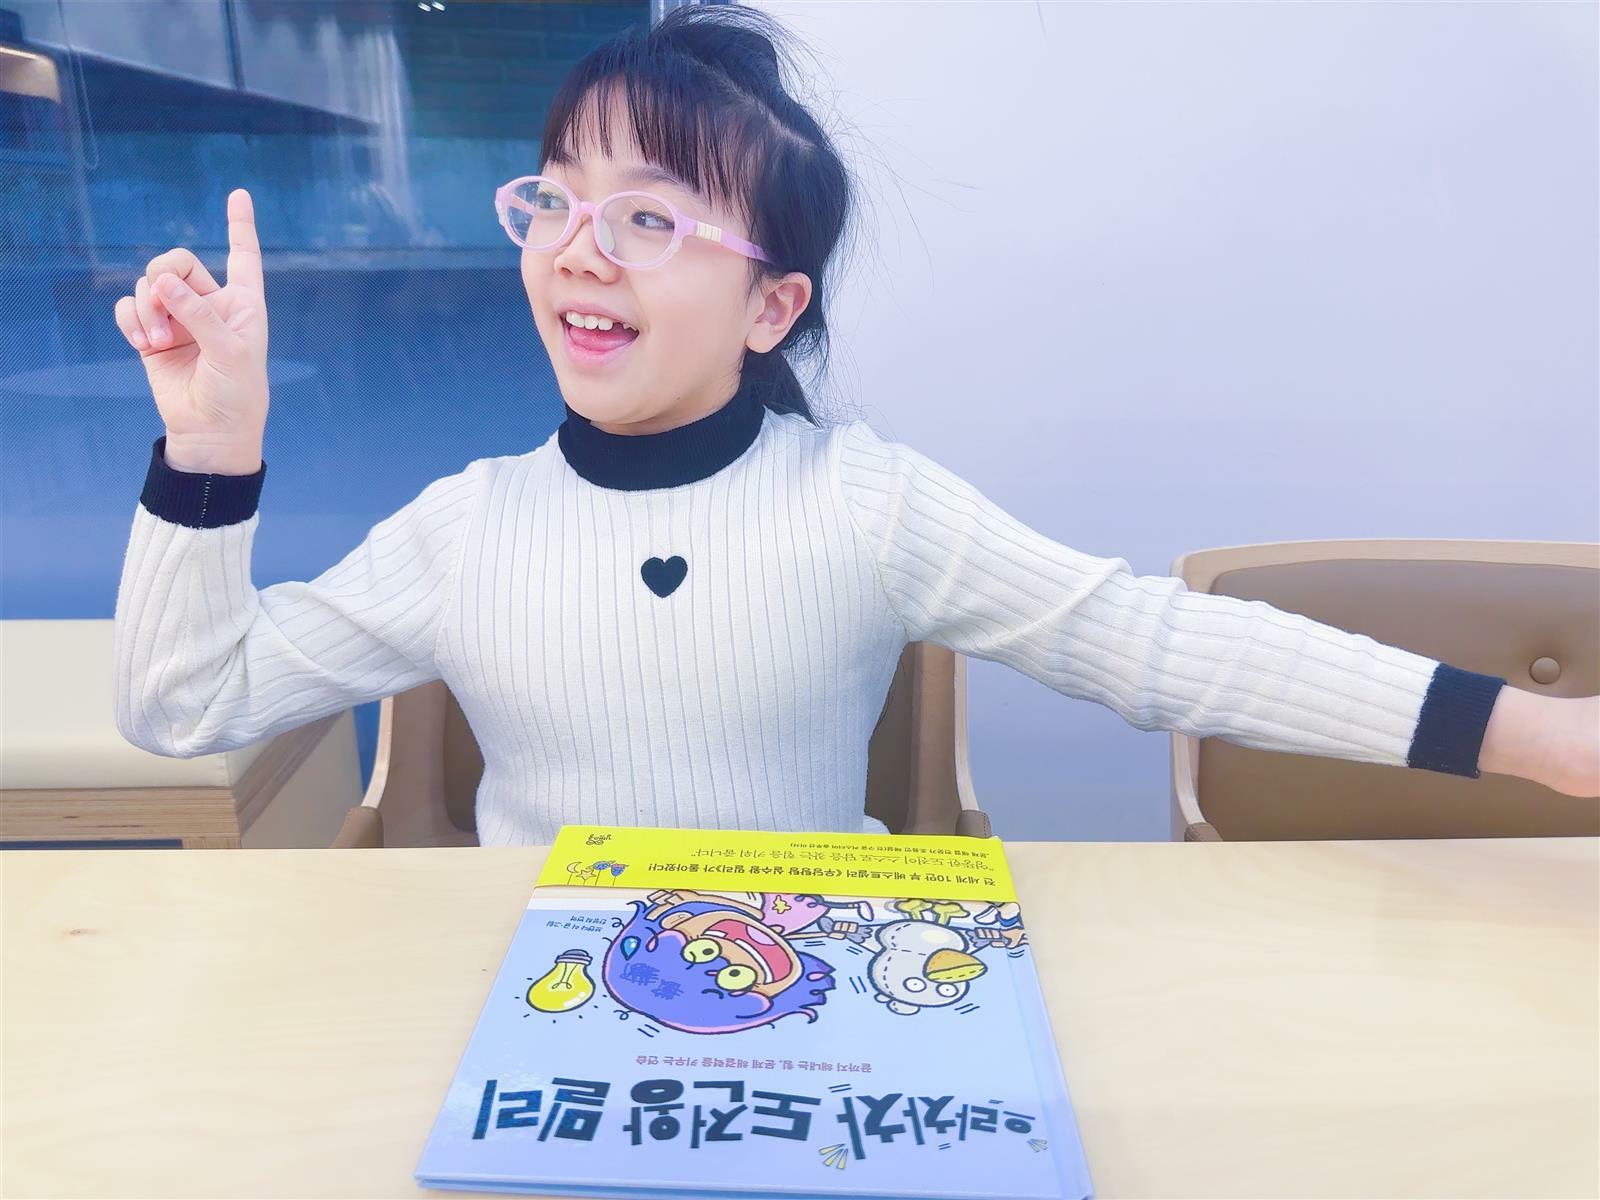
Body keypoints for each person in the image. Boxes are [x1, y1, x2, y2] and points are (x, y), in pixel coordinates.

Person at [111, 7, 1597, 845]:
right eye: (556, 200)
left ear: (770, 307)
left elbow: (1154, 643)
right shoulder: (465, 529)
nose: (579, 250)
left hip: (812, 1018)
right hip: (539, 1023)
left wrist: (1536, 734)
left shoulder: (866, 506)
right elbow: (184, 707)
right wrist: (210, 454)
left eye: (648, 218)